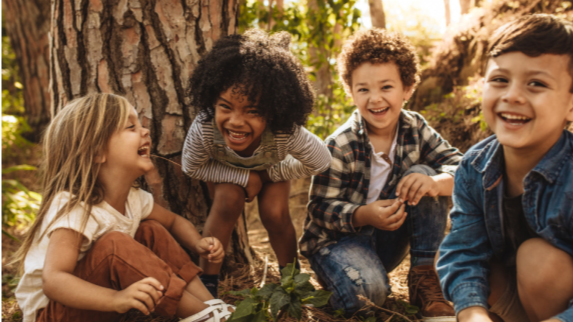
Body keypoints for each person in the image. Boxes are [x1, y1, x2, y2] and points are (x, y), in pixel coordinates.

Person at [13, 94, 234, 322]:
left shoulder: (134, 199)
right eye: (131, 127)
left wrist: (196, 243)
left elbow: (173, 222)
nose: (145, 131)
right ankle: (201, 317)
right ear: (97, 151)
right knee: (114, 244)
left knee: (152, 230)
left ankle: (210, 305)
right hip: (54, 314)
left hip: (94, 307)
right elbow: (54, 280)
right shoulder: (75, 207)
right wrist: (115, 300)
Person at [299, 28, 462, 321]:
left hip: (387, 239)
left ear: (408, 88)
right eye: (364, 89)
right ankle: (357, 282)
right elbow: (319, 209)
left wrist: (435, 182)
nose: (375, 99)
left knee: (424, 174)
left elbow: (463, 169)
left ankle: (424, 275)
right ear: (351, 92)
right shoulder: (341, 143)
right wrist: (364, 215)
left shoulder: (415, 127)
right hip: (337, 244)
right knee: (369, 298)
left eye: (386, 87)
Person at [437, 14, 573, 322]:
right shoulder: (474, 166)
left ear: (570, 104)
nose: (512, 95)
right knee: (465, 263)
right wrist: (472, 314)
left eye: (536, 83)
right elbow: (464, 252)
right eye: (500, 80)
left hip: (556, 297)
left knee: (538, 260)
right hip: (514, 296)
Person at [181, 29, 331, 297]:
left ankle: (291, 281)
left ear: (273, 112)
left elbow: (320, 160)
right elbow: (191, 166)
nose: (236, 121)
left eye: (253, 111)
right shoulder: (205, 126)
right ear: (212, 101)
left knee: (274, 213)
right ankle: (207, 288)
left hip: (271, 170)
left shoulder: (284, 131)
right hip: (226, 172)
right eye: (225, 106)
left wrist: (272, 173)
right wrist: (243, 178)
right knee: (227, 200)